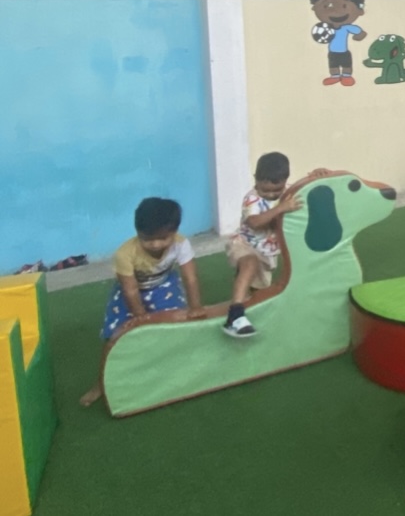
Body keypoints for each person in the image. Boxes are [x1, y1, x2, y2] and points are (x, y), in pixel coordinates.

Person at [80, 198, 205, 406]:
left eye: (163, 238)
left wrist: (196, 307)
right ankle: (100, 384)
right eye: (147, 239)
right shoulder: (125, 253)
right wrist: (141, 317)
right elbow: (130, 290)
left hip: (163, 286)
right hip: (131, 292)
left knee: (176, 323)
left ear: (174, 232)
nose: (155, 244)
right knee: (114, 335)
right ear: (137, 232)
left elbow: (190, 278)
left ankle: (174, 367)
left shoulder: (181, 244)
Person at [224, 153, 329, 338]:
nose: (271, 195)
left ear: (285, 181)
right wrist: (280, 207)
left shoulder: (288, 194)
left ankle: (248, 314)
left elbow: (307, 190)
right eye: (265, 190)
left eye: (276, 190)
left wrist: (318, 176)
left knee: (259, 293)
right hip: (244, 243)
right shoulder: (252, 198)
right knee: (249, 263)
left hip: (267, 253)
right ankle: (234, 316)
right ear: (256, 179)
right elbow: (255, 222)